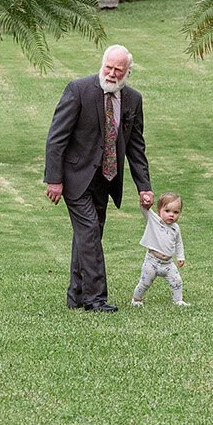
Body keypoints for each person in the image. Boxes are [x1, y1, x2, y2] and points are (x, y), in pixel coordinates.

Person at [43, 44, 152, 313]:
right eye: (109, 67)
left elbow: (136, 146)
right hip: (75, 177)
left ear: (127, 72)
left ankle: (77, 295)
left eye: (119, 70)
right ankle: (95, 299)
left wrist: (144, 187)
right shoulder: (78, 90)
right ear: (101, 64)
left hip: (106, 179)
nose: (113, 74)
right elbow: (56, 138)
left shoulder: (133, 100)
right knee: (90, 232)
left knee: (88, 236)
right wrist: (54, 179)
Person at [132, 192, 188, 307]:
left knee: (177, 281)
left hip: (168, 263)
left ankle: (178, 301)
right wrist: (145, 201)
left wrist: (180, 257)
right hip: (152, 261)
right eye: (167, 211)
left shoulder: (175, 228)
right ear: (159, 210)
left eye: (176, 212)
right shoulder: (153, 220)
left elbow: (178, 243)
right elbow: (144, 209)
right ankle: (136, 299)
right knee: (145, 283)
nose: (171, 215)